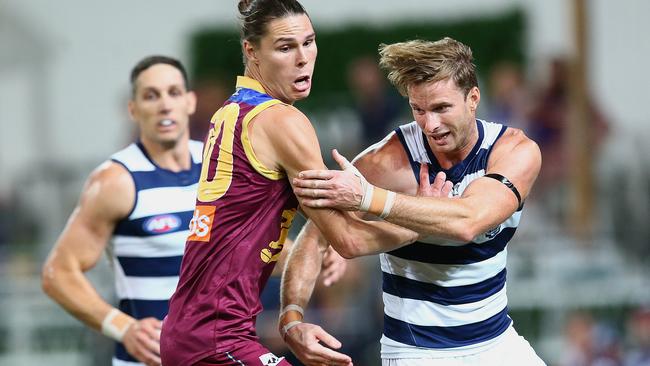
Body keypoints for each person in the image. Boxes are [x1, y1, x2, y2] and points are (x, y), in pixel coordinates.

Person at [159, 1, 423, 365]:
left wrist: (299, 291)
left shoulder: (230, 112)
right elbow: (350, 239)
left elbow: (238, 231)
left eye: (309, 42)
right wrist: (422, 223)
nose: (303, 58)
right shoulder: (283, 121)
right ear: (252, 52)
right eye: (286, 47)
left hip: (192, 331)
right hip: (217, 337)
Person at [283, 37, 546, 365]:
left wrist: (368, 198)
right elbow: (315, 237)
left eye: (441, 108)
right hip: (417, 352)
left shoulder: (514, 152)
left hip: (498, 344)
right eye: (418, 109)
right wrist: (291, 316)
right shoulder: (389, 161)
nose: (430, 124)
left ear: (473, 98)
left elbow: (468, 222)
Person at [41, 56, 202, 366]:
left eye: (174, 93)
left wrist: (315, 252)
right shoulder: (117, 180)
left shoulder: (218, 165)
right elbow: (57, 273)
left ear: (190, 102)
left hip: (215, 356)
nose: (164, 105)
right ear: (133, 109)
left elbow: (254, 248)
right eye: (151, 95)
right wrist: (124, 327)